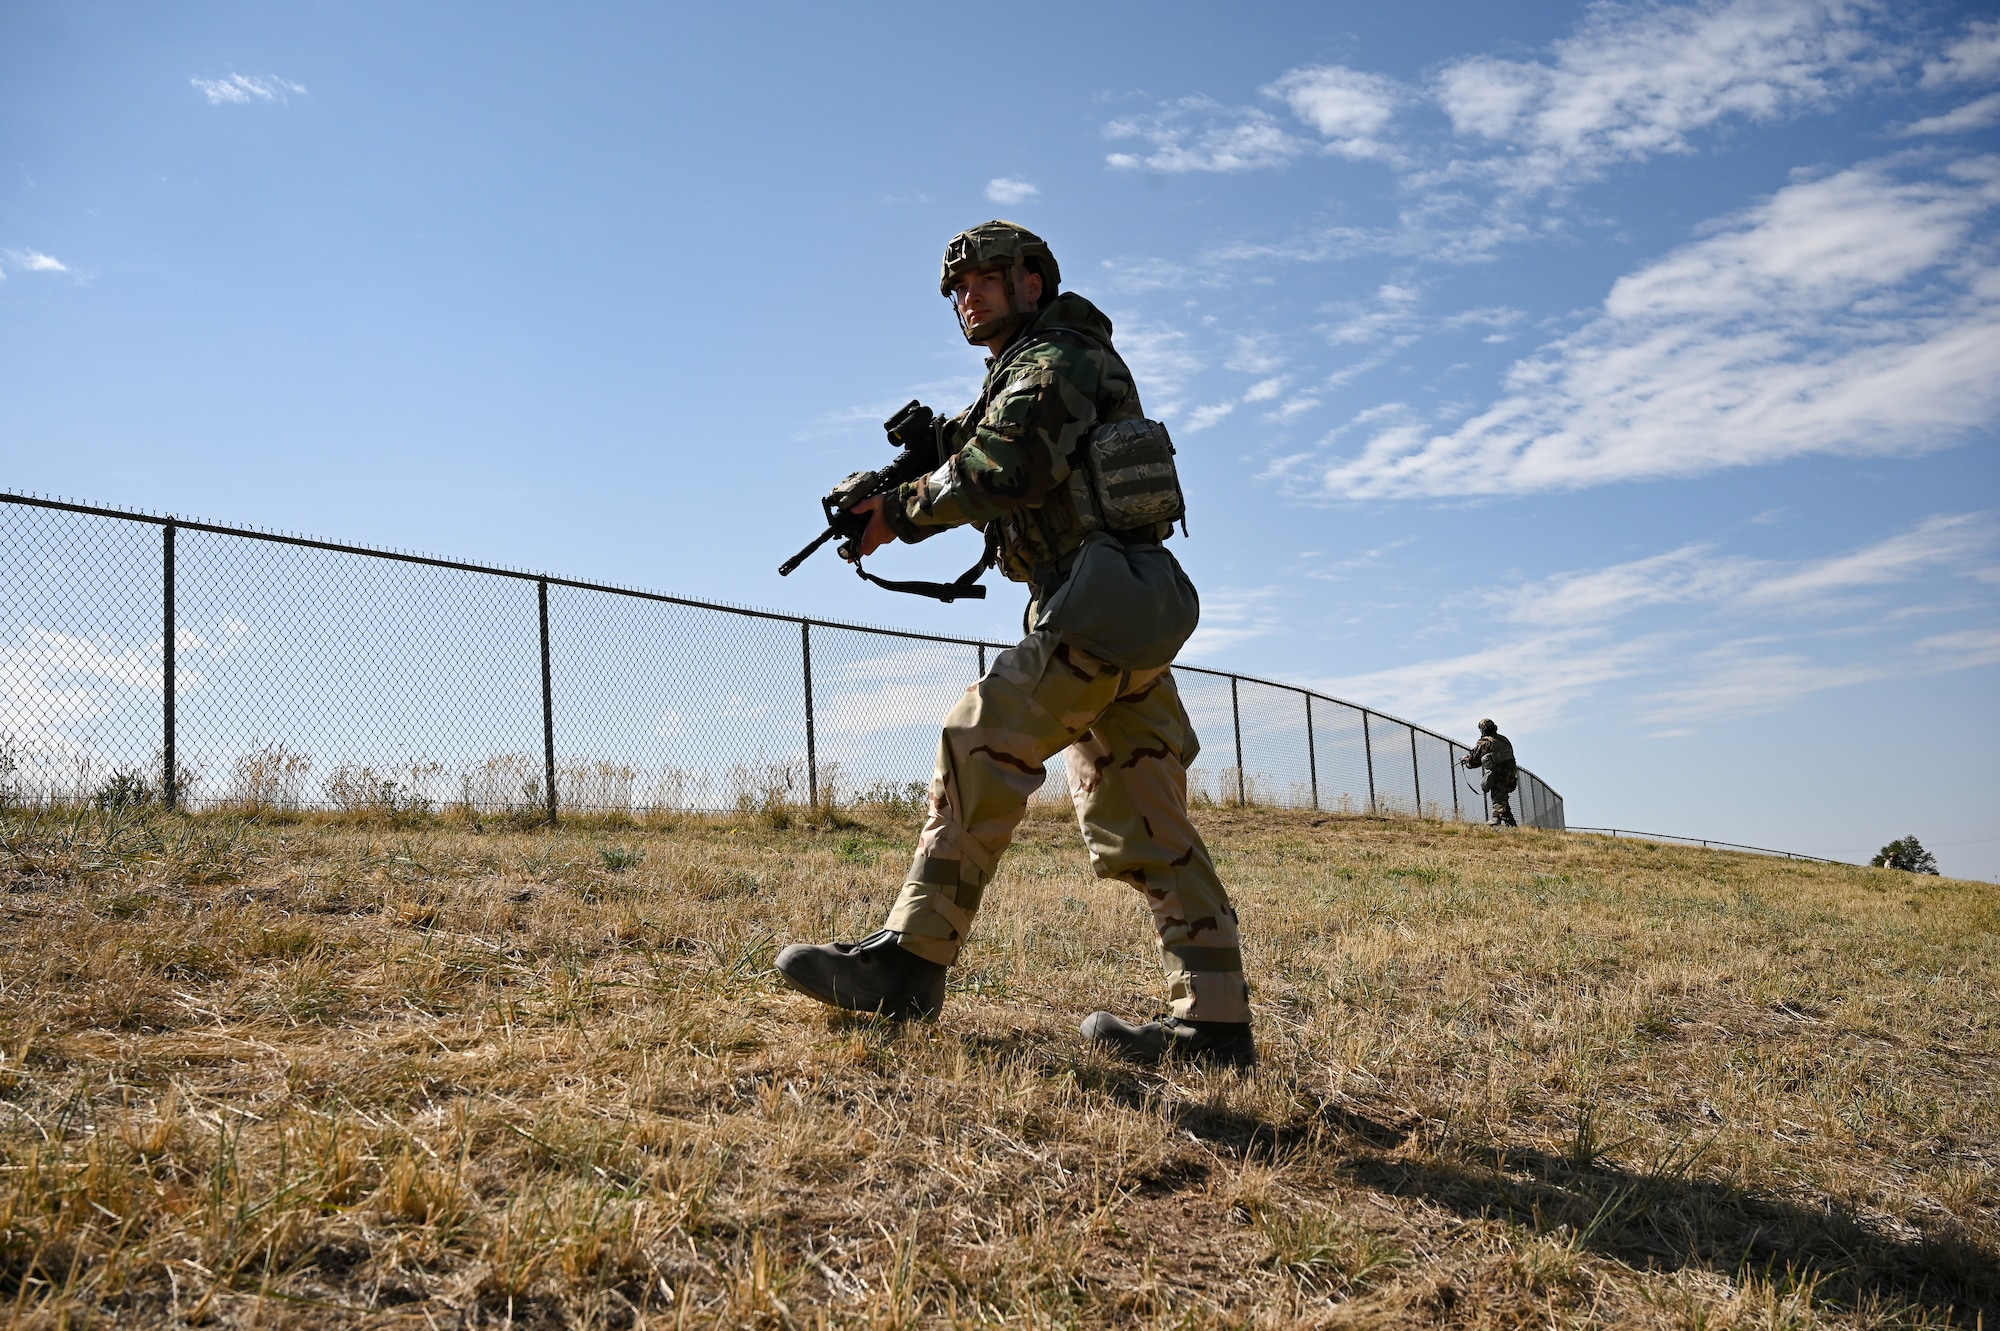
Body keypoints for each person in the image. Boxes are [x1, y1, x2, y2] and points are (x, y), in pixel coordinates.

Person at [773, 221, 1255, 1068]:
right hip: (1115, 602)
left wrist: (900, 511)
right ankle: (1214, 1023)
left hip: (1100, 598)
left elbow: (1004, 464)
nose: (969, 295)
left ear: (1033, 281)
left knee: (980, 733)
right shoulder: (1026, 368)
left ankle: (910, 962)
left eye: (986, 278)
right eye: (957, 288)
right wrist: (885, 488)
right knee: (1148, 811)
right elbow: (971, 445)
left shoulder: (1058, 357)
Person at [1460, 719, 1519, 827]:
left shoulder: (1484, 742)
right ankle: (1501, 819)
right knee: (1501, 794)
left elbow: (1475, 760)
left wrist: (1467, 760)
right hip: (1511, 770)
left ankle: (1501, 821)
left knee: (1498, 795)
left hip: (1500, 770)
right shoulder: (1504, 739)